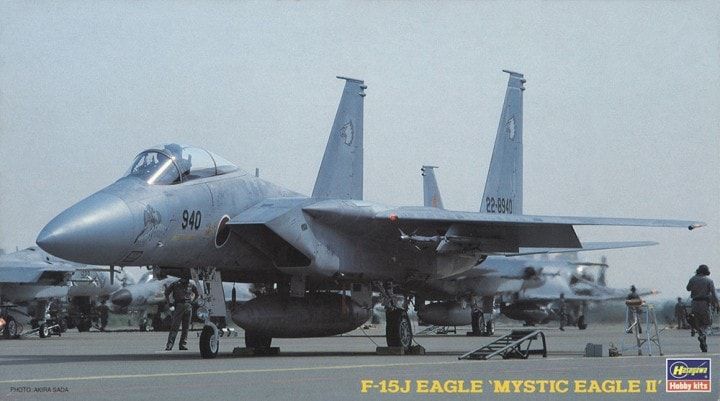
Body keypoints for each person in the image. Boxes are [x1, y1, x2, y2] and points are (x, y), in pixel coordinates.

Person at [686, 264, 719, 352]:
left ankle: (701, 335)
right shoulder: (709, 280)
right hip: (704, 303)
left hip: (694, 303)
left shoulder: (692, 279)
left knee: (697, 322)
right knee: (708, 322)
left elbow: (688, 288)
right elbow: (714, 294)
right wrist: (718, 304)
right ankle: (702, 335)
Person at [164, 277, 199, 351]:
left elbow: (197, 293)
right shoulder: (175, 284)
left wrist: (192, 302)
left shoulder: (191, 285)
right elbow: (166, 293)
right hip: (179, 305)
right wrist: (169, 303)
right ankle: (169, 345)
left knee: (186, 327)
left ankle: (182, 344)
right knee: (175, 326)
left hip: (188, 305)